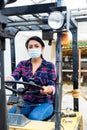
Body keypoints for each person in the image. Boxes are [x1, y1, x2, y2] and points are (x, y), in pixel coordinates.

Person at [5, 36, 56, 121]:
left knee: (34, 117)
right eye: (30, 47)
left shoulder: (49, 65)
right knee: (10, 116)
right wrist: (9, 78)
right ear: (27, 49)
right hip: (26, 101)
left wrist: (48, 89)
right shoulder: (22, 64)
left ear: (42, 48)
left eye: (36, 46)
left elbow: (52, 85)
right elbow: (14, 76)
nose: (33, 49)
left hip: (44, 102)